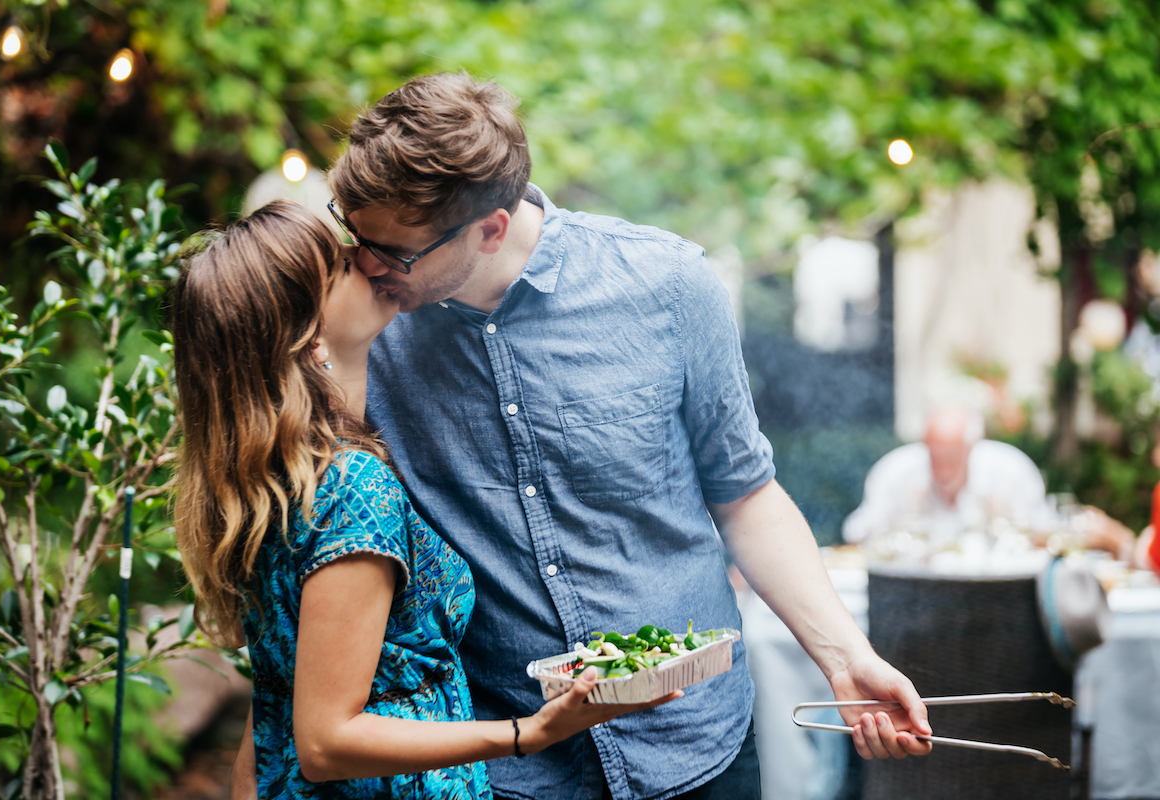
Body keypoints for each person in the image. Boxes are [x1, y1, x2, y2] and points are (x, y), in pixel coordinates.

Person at [234, 72, 932, 800]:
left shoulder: (670, 287)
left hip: (695, 749)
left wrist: (844, 656)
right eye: (357, 238)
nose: (368, 267)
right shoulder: (365, 329)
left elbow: (745, 496)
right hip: (503, 769)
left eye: (396, 252)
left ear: (490, 228)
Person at [172, 201, 679, 799]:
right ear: (310, 337)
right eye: (340, 265)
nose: (366, 259)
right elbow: (325, 740)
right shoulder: (351, 487)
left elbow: (281, 695)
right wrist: (525, 733)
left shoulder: (276, 480)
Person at [843, 406, 1141, 561]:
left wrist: (1007, 517)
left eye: (951, 456)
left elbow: (1045, 534)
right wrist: (897, 516)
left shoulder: (1008, 471)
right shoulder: (898, 472)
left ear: (972, 447)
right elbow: (855, 535)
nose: (941, 466)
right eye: (934, 455)